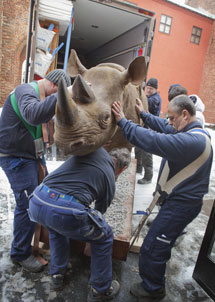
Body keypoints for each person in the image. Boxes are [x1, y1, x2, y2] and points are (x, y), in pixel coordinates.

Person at [112, 95, 213, 300]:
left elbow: (155, 140)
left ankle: (153, 288)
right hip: (179, 203)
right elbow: (163, 128)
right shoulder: (192, 131)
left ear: (185, 114)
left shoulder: (191, 141)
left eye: (171, 117)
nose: (169, 122)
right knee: (160, 242)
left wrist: (124, 122)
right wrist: (145, 115)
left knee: (153, 246)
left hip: (181, 206)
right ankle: (154, 279)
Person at [28, 147, 130, 301]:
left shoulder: (94, 151)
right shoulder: (110, 177)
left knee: (56, 229)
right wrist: (91, 238)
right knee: (105, 236)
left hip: (37, 199)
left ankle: (57, 274)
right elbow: (99, 214)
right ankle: (100, 289)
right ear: (122, 169)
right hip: (63, 210)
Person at [0, 69, 71, 273]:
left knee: (40, 196)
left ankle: (35, 240)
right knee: (28, 204)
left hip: (28, 156)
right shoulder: (26, 91)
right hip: (15, 158)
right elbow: (33, 116)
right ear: (54, 85)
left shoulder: (39, 95)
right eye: (58, 93)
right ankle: (20, 254)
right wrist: (65, 94)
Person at [135, 77, 162, 185]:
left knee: (146, 153)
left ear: (155, 89)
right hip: (144, 127)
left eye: (151, 88)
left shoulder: (154, 99)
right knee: (138, 148)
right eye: (147, 88)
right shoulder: (149, 97)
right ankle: (138, 168)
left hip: (150, 129)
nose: (148, 90)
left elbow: (145, 104)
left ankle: (148, 177)